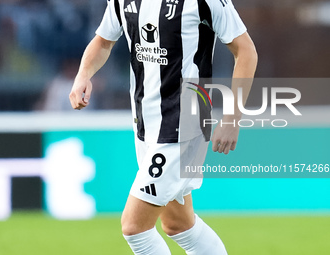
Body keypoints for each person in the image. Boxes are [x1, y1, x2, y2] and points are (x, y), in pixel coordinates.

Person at [69, 0, 257, 254]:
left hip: (184, 125)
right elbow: (103, 41)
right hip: (145, 124)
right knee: (179, 225)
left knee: (134, 227)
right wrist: (83, 75)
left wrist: (233, 117)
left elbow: (245, 50)